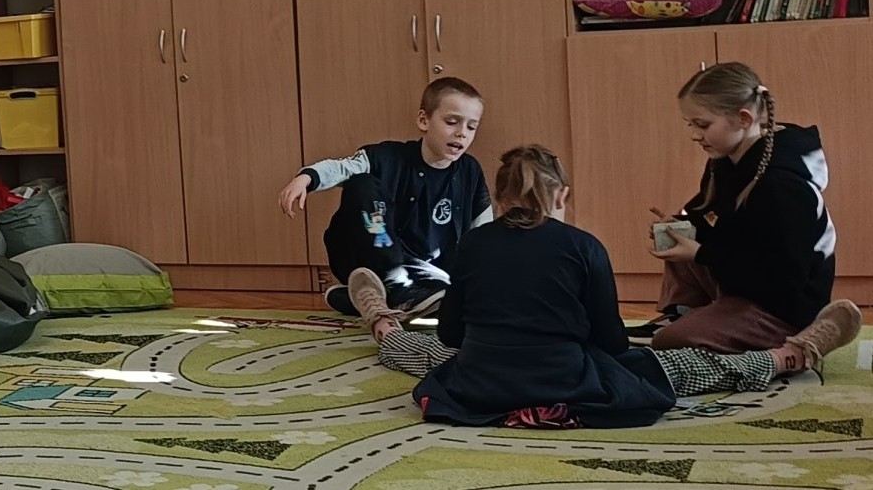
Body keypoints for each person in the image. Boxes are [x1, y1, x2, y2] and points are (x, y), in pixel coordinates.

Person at [345, 144, 862, 429]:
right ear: (562, 195)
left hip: (482, 387)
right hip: (568, 385)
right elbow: (611, 342)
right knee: (677, 367)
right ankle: (791, 355)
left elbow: (452, 333)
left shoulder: (472, 245)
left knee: (428, 352)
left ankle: (381, 321)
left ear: (498, 200)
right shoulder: (583, 245)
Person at [630, 63, 840, 353]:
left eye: (702, 125)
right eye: (690, 124)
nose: (694, 134)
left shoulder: (781, 186)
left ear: (743, 118)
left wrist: (701, 253)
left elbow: (783, 279)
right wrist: (683, 226)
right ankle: (684, 314)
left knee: (670, 342)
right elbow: (716, 219)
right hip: (743, 285)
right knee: (679, 238)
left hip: (783, 308)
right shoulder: (724, 161)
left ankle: (799, 348)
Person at [278, 77, 494, 317]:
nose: (462, 133)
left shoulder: (469, 170)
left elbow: (483, 229)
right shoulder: (386, 156)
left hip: (428, 273)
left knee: (466, 297)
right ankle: (393, 283)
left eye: (471, 127)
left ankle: (362, 297)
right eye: (452, 122)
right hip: (370, 258)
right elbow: (342, 168)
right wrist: (307, 177)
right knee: (361, 182)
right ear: (424, 120)